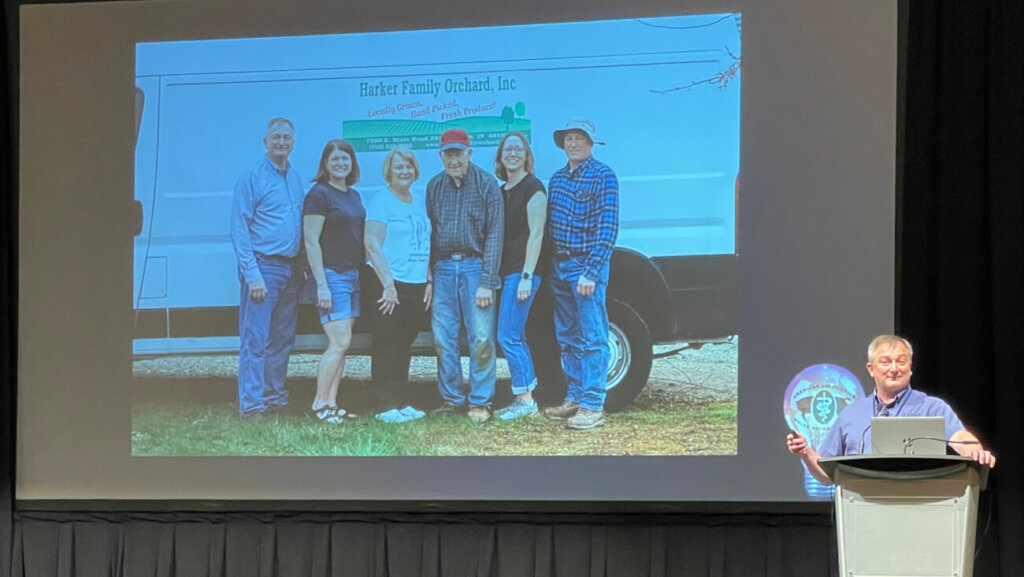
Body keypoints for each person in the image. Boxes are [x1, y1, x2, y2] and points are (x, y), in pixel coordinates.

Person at [787, 334, 997, 485]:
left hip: (921, 509)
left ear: (911, 367)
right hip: (861, 513)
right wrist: (806, 452)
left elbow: (960, 438)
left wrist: (975, 452)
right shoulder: (851, 415)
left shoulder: (932, 407)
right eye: (886, 362)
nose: (894, 369)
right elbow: (826, 475)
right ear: (871, 369)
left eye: (901, 361)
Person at [543, 119, 619, 430]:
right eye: (569, 138)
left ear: (591, 144)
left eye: (580, 138)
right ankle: (574, 397)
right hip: (559, 267)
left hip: (586, 268)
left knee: (593, 336)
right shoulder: (557, 179)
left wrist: (591, 271)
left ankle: (593, 404)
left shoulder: (604, 175)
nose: (573, 143)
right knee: (567, 337)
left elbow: (608, 228)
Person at [426, 128, 504, 424]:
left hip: (475, 268)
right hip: (444, 269)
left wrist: (487, 280)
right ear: (441, 156)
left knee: (482, 337)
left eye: (459, 153)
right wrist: (430, 277)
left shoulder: (487, 185)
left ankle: (481, 401)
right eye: (449, 153)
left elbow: (495, 235)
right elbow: (430, 233)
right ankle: (452, 399)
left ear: (469, 153)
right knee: (443, 338)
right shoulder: (434, 186)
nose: (454, 159)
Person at [230, 117, 306, 421]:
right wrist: (253, 275)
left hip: (290, 271)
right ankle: (252, 406)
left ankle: (274, 399)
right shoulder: (252, 177)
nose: (282, 142)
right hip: (264, 269)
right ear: (265, 142)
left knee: (282, 340)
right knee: (255, 340)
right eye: (276, 137)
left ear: (293, 143)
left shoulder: (295, 177)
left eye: (287, 137)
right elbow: (239, 229)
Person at [364, 147, 432, 424]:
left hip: (416, 284)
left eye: (409, 166)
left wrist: (428, 280)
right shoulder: (382, 200)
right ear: (389, 172)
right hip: (388, 283)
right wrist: (388, 286)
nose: (404, 171)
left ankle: (401, 401)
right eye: (398, 167)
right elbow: (371, 243)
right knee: (387, 344)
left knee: (404, 345)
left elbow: (426, 243)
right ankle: (385, 404)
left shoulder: (417, 200)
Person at [302, 139, 366, 423]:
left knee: (345, 343)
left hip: (353, 275)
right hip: (331, 276)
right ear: (325, 164)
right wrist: (322, 285)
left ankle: (332, 404)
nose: (341, 163)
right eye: (335, 159)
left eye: (345, 158)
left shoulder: (353, 195)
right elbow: (311, 241)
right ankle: (319, 405)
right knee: (338, 342)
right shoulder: (319, 194)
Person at [492, 132, 547, 420]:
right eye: (507, 149)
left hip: (522, 273)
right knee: (516, 335)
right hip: (507, 272)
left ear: (526, 155)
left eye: (518, 149)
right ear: (500, 157)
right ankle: (527, 397)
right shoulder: (503, 190)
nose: (512, 153)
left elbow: (536, 234)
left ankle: (525, 401)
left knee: (508, 336)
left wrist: (527, 276)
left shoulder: (533, 187)